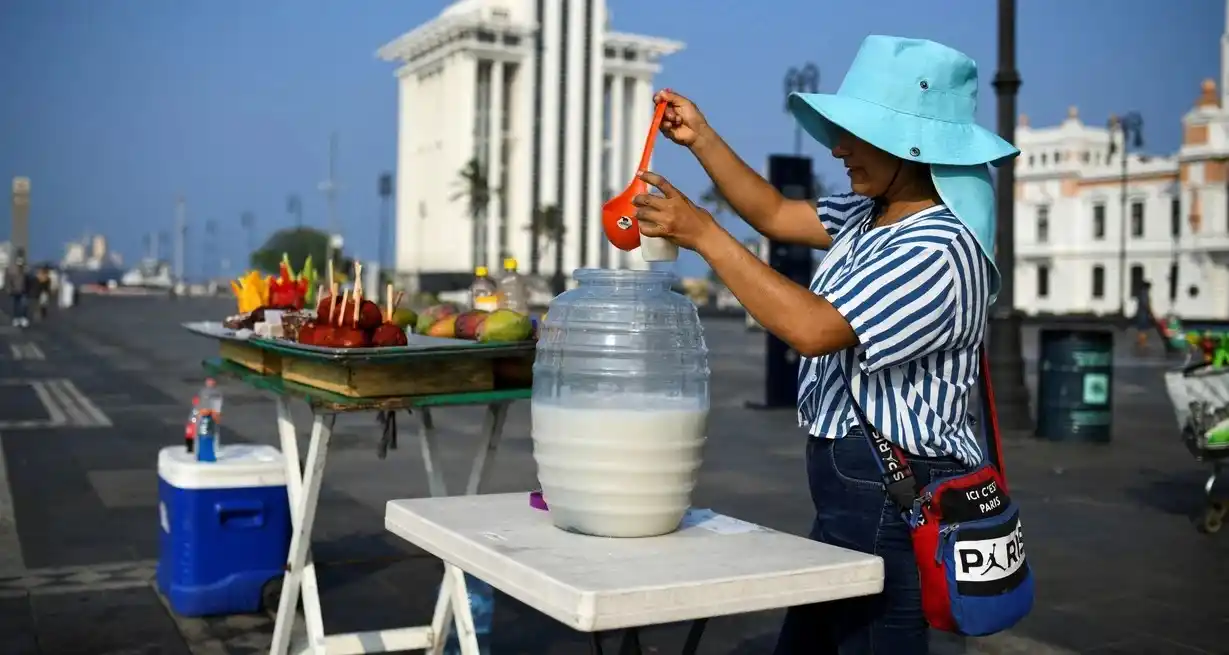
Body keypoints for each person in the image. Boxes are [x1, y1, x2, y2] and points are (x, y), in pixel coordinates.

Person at [630, 35, 1018, 654]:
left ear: (912, 146)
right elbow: (775, 214)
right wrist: (701, 139)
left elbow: (813, 329)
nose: (838, 148)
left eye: (857, 135)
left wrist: (703, 234)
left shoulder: (940, 249)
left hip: (898, 488)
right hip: (862, 485)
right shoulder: (872, 215)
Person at [4, 254, 30, 328]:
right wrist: (9, 289)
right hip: (15, 290)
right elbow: (8, 280)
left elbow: (29, 280)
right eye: (19, 260)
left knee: (24, 305)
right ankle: (16, 318)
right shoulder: (12, 269)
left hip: (24, 290)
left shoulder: (25, 269)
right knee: (16, 305)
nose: (20, 262)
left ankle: (23, 318)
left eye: (21, 260)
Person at [1132, 280, 1156, 353]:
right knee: (1143, 329)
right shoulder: (1144, 293)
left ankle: (1140, 342)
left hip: (1140, 312)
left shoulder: (1140, 293)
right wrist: (1150, 312)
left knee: (1141, 329)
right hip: (1144, 313)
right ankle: (1143, 344)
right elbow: (1145, 304)